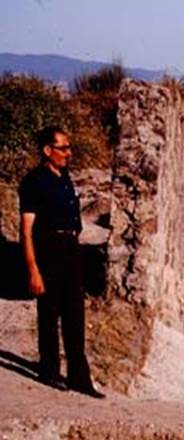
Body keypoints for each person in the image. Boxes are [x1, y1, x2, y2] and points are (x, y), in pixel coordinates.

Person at [18, 125, 104, 399]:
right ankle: (49, 370)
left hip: (70, 247)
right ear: (47, 150)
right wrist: (33, 269)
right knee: (49, 311)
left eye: (69, 147)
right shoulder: (34, 182)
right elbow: (26, 230)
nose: (69, 153)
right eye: (63, 148)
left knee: (75, 313)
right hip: (48, 247)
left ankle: (80, 377)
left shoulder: (66, 178)